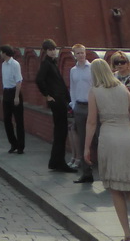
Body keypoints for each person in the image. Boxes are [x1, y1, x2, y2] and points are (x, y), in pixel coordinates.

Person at [84, 57, 130, 241]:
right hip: (129, 139)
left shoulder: (94, 91)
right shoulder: (124, 89)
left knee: (116, 189)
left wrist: (86, 147)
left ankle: (128, 235)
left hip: (109, 138)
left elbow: (91, 122)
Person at [35, 39, 74, 172]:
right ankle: (59, 162)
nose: (53, 51)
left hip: (60, 100)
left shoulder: (52, 63)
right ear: (46, 51)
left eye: (54, 49)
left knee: (60, 131)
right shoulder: (46, 64)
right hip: (56, 101)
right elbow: (39, 79)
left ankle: (55, 161)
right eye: (50, 50)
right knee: (61, 131)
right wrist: (47, 95)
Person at [69, 43, 95, 182]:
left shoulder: (91, 68)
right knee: (82, 140)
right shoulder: (73, 70)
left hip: (91, 106)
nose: (81, 55)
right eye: (78, 53)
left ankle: (104, 172)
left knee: (97, 138)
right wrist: (73, 104)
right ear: (74, 55)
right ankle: (86, 173)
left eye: (82, 53)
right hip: (79, 106)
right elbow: (72, 88)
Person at [0, 44, 24, 154]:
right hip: (6, 92)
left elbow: (18, 81)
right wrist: (3, 95)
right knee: (7, 120)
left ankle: (20, 146)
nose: (0, 54)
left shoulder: (15, 64)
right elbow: (4, 81)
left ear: (5, 53)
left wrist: (17, 96)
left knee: (18, 121)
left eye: (1, 52)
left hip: (14, 91)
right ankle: (13, 143)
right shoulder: (3, 64)